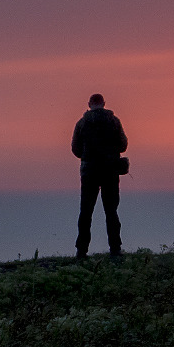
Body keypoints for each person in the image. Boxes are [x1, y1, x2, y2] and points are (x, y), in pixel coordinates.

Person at [72, 93, 128, 258]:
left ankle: (81, 251)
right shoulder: (114, 121)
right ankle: (115, 250)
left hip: (89, 172)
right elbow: (123, 144)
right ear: (104, 103)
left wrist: (88, 156)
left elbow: (75, 149)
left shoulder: (82, 123)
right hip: (110, 171)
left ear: (89, 104)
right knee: (111, 211)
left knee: (86, 211)